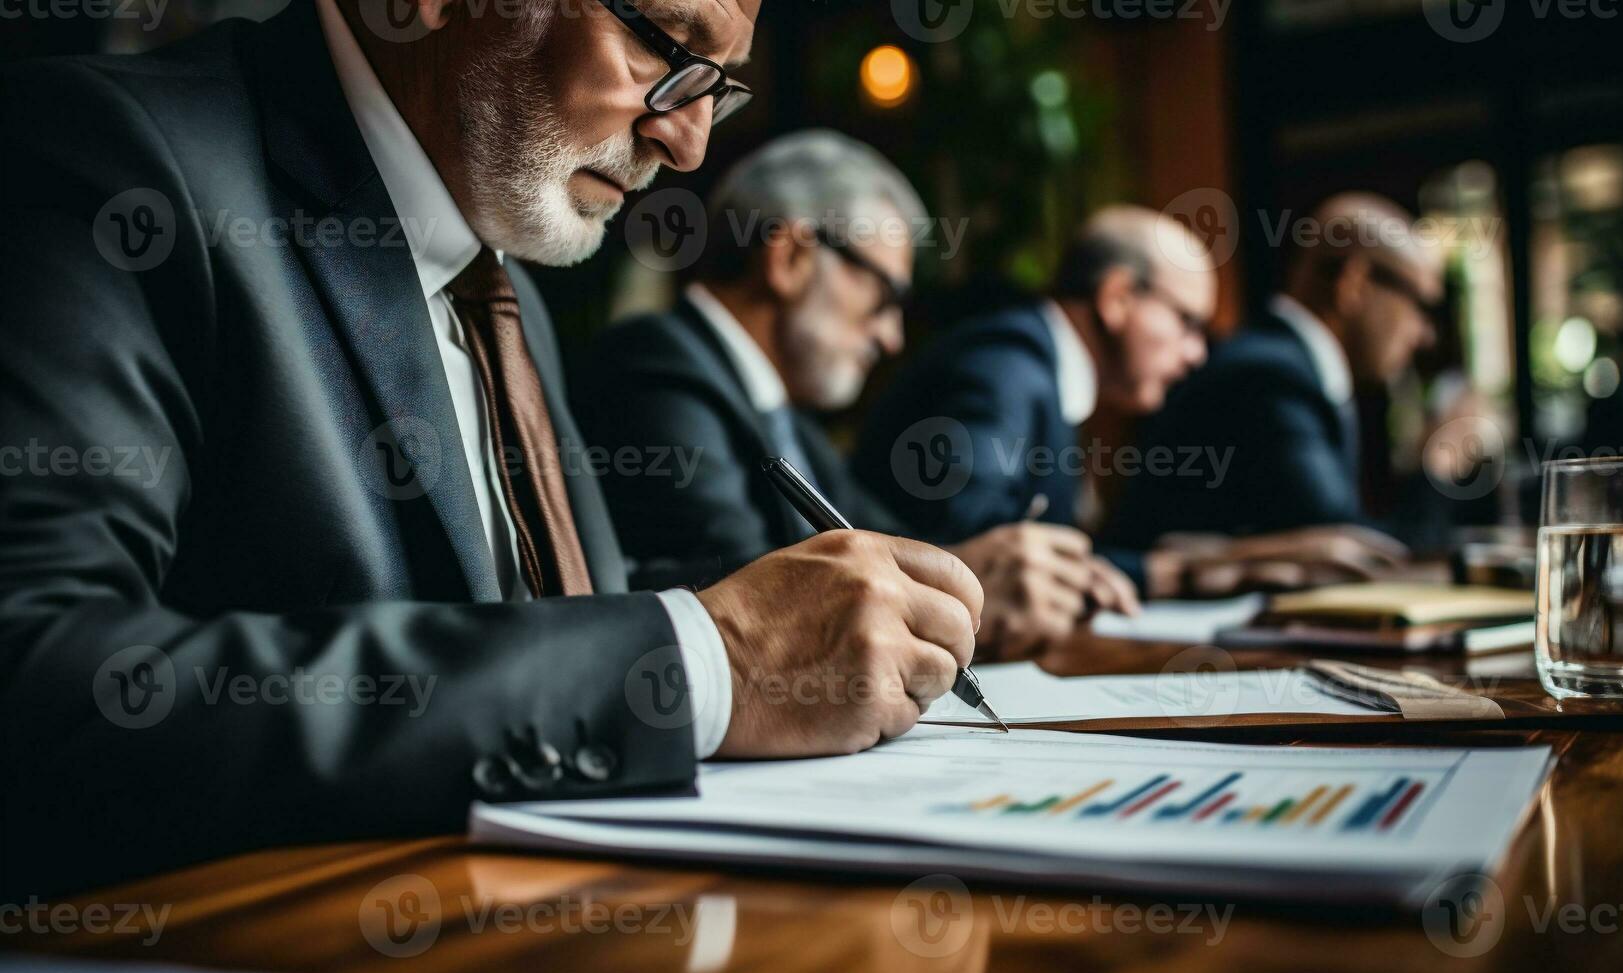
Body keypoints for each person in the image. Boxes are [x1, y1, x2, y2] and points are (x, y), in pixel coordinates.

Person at [0, 0, 983, 901]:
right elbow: (42, 683)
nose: (685, 144)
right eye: (664, 45)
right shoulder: (112, 162)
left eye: (717, 87)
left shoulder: (502, 273)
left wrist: (811, 628)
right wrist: (702, 660)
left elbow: (534, 617)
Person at [577, 131, 1137, 660]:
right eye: (884, 294)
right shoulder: (655, 363)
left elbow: (887, 542)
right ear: (790, 257)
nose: (892, 337)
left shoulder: (781, 412)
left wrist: (1006, 571)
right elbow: (739, 594)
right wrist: (964, 580)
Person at [853, 206, 1404, 598]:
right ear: (1117, 298)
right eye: (1187, 322)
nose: (1195, 354)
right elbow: (981, 560)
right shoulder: (1008, 369)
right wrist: (1183, 570)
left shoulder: (1037, 367)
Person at [1102, 193, 1443, 552]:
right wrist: (1437, 465)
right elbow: (1352, 550)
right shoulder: (1270, 378)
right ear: (1353, 282)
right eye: (1419, 303)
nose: (1425, 335)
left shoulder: (1283, 366)